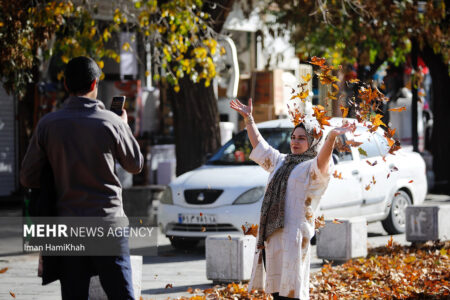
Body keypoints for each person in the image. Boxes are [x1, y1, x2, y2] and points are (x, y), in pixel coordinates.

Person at [20, 56, 144, 300]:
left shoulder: (48, 125)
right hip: (108, 226)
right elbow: (135, 165)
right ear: (94, 84)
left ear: (66, 85)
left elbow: (27, 177)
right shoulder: (112, 122)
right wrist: (124, 125)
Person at [230, 98, 351, 300]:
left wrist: (330, 139)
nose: (295, 141)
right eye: (293, 137)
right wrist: (249, 120)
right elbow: (260, 147)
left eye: (302, 138)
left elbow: (322, 162)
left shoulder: (312, 168)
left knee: (292, 292)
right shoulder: (281, 161)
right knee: (277, 293)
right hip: (272, 237)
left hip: (294, 239)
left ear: (313, 141)